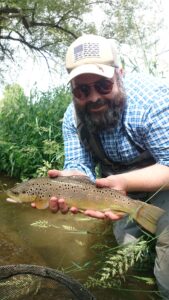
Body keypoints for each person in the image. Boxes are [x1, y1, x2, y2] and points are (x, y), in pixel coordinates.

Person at [46, 34, 169, 299]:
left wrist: (124, 183)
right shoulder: (73, 117)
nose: (93, 98)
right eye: (81, 90)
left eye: (103, 85)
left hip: (163, 176)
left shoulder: (153, 101)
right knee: (128, 252)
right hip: (114, 188)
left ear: (119, 74)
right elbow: (79, 165)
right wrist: (72, 179)